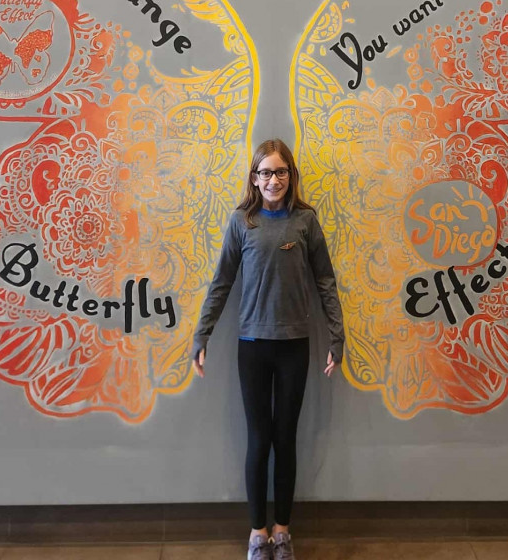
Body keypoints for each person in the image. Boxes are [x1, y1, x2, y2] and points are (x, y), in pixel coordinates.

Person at [191, 139, 344, 560]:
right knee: (259, 441)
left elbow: (325, 282)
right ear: (254, 179)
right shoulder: (242, 222)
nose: (273, 180)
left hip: (294, 347)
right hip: (253, 348)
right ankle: (258, 534)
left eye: (280, 172)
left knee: (285, 440)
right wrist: (202, 334)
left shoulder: (305, 221)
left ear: (290, 176)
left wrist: (337, 337)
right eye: (265, 172)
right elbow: (221, 281)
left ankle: (282, 532)